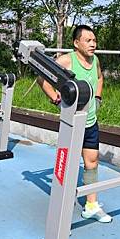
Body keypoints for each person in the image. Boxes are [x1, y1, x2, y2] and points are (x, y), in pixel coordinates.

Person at [37, 25, 112, 223]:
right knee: (67, 164)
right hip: (72, 123)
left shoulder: (95, 59)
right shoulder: (66, 60)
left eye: (94, 40)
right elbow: (42, 77)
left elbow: (99, 77)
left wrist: (97, 97)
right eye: (88, 40)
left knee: (92, 162)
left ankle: (91, 205)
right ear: (76, 43)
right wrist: (54, 97)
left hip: (91, 122)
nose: (93, 44)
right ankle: (60, 207)